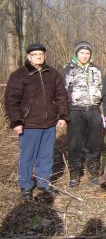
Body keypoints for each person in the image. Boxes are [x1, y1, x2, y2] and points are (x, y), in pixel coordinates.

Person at [4, 43, 68, 199]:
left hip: (49, 124)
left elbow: (61, 96)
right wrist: (17, 121)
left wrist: (62, 116)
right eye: (35, 54)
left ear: (45, 55)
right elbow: (11, 100)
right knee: (27, 156)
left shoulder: (52, 74)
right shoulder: (19, 75)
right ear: (29, 57)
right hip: (29, 124)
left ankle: (44, 184)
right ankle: (25, 187)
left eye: (41, 54)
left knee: (46, 156)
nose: (39, 56)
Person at [64, 41, 103, 188]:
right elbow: (62, 93)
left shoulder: (96, 69)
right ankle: (74, 175)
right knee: (74, 143)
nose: (85, 55)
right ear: (76, 54)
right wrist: (63, 114)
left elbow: (101, 89)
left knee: (94, 143)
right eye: (82, 53)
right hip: (75, 111)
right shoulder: (68, 69)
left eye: (87, 53)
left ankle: (93, 173)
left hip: (93, 109)